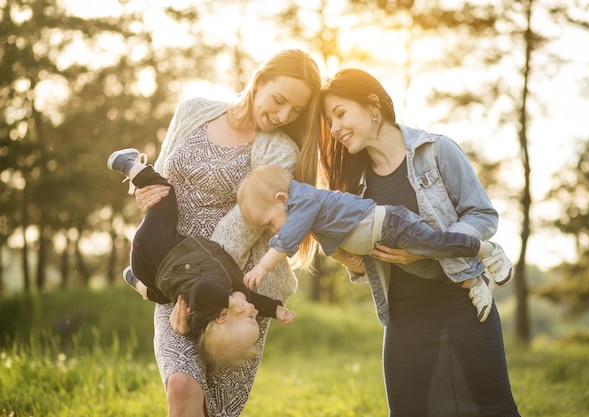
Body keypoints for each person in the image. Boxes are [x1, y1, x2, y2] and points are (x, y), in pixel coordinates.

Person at [127, 49, 322, 417]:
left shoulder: (280, 150)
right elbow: (163, 180)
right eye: (279, 101)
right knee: (182, 387)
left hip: (236, 292)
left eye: (295, 112)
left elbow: (242, 227)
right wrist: (144, 192)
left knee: (214, 409)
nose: (283, 116)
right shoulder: (192, 110)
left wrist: (205, 298)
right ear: (259, 80)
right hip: (173, 271)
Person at [319, 68, 521, 416]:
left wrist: (431, 248)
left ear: (372, 107)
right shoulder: (356, 186)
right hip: (405, 315)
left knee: (493, 408)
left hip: (464, 302)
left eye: (340, 114)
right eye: (329, 120)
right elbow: (345, 244)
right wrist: (347, 256)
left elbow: (483, 216)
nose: (334, 128)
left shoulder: (436, 150)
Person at [237, 164, 513, 322]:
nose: (274, 232)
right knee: (425, 267)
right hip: (384, 241)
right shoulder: (307, 212)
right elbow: (329, 242)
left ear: (281, 199)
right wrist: (345, 259)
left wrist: (262, 268)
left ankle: (486, 250)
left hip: (391, 225)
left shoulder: (304, 201)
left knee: (436, 244)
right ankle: (473, 282)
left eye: (270, 224)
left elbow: (285, 241)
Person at [107, 148, 296, 368]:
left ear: (223, 316)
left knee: (165, 193)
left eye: (249, 317)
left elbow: (203, 289)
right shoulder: (240, 295)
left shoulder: (206, 302)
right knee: (164, 295)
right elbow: (257, 302)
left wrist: (228, 300)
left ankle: (127, 164)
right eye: (256, 317)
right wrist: (276, 310)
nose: (254, 312)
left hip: (157, 245)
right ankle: (135, 281)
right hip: (152, 273)